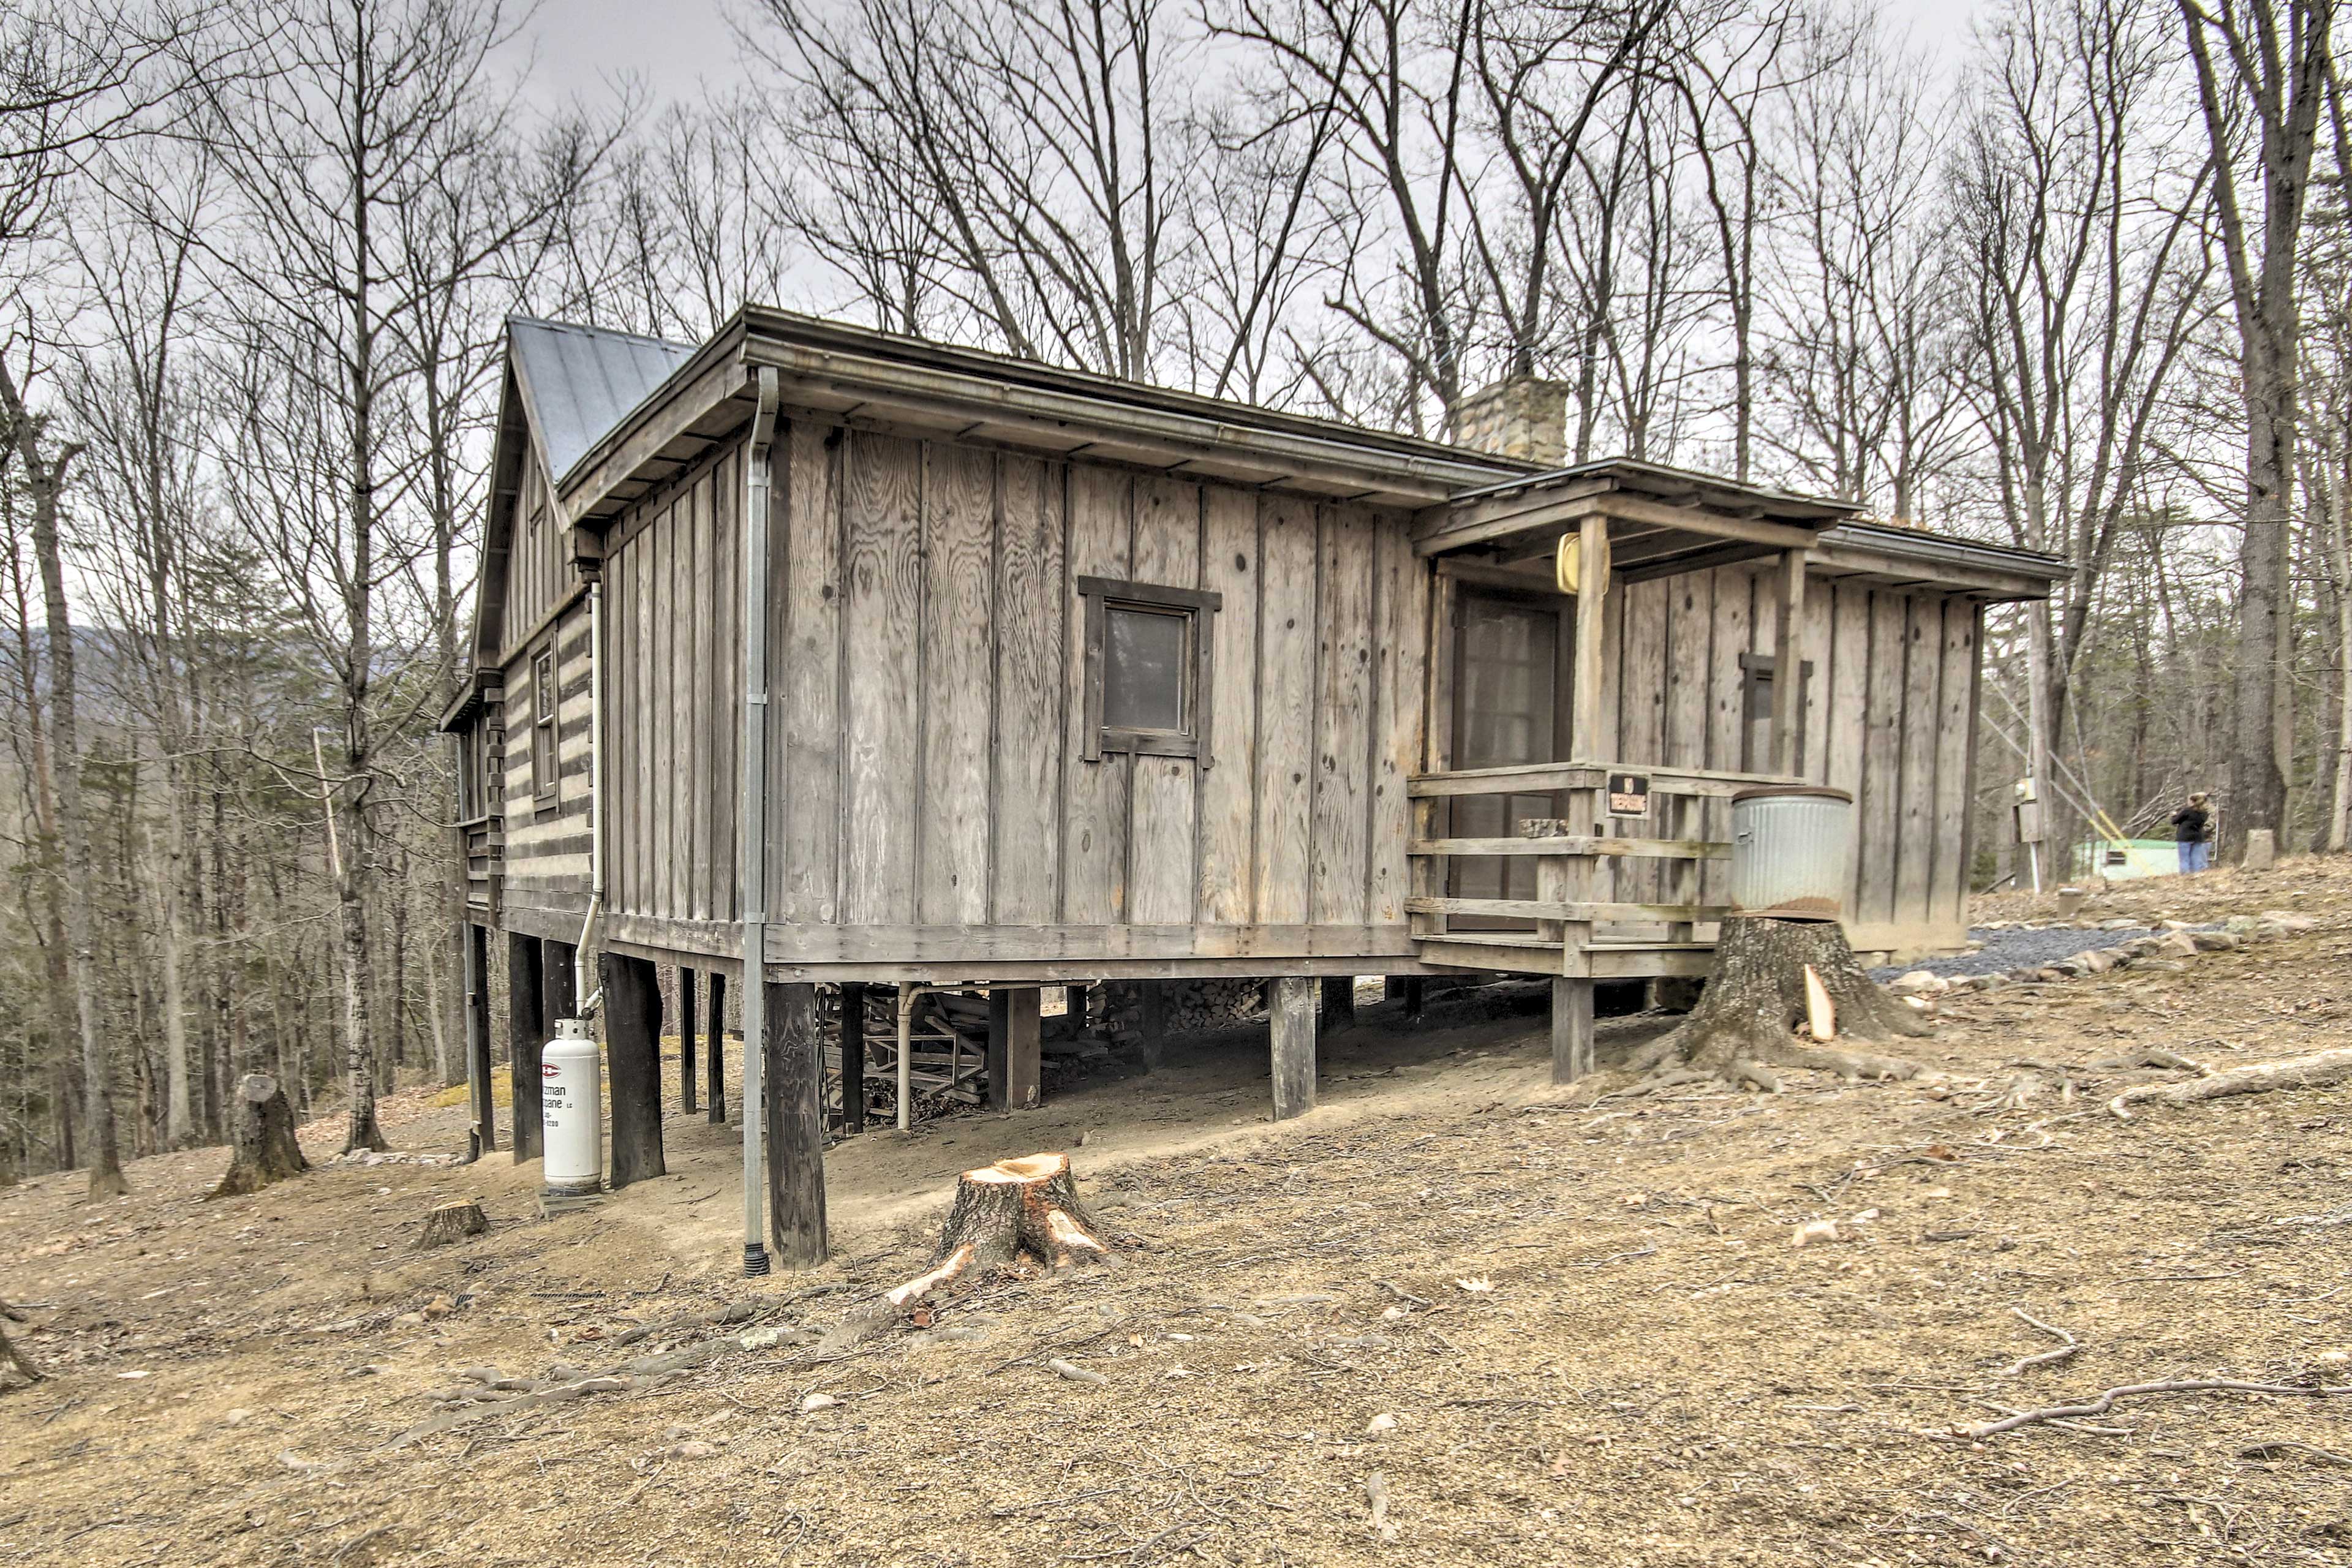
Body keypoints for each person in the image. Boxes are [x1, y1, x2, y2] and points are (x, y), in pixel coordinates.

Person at [2171, 791, 2214, 874]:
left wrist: (2174, 815)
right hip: (2198, 837)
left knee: (2184, 860)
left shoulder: (2187, 811)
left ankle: (2185, 877)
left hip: (2185, 837)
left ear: (2193, 801)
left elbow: (2175, 821)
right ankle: (2195, 877)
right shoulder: (2205, 813)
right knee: (2196, 860)